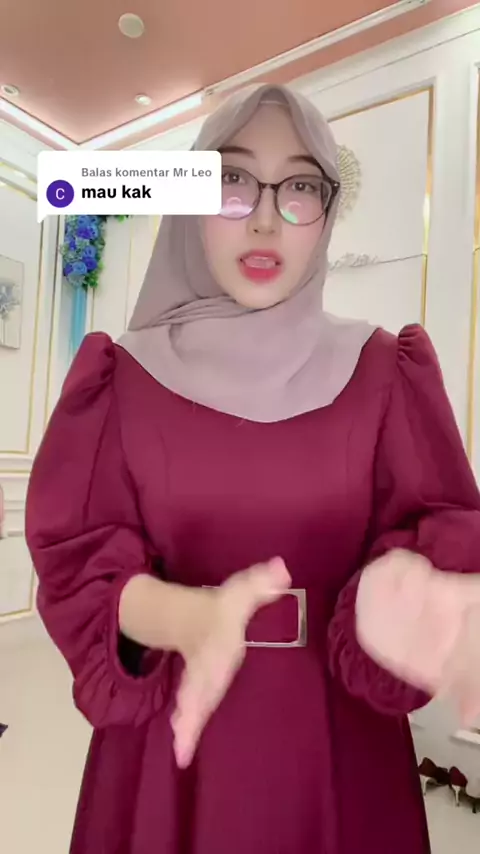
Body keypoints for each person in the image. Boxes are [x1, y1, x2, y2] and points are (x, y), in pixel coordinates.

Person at [25, 82, 480, 854]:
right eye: (231, 181)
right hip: (169, 746)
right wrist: (186, 618)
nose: (265, 217)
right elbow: (79, 568)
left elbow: (429, 537)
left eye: (299, 186)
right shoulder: (120, 379)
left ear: (326, 212)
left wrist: (410, 599)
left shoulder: (384, 371)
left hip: (338, 747)